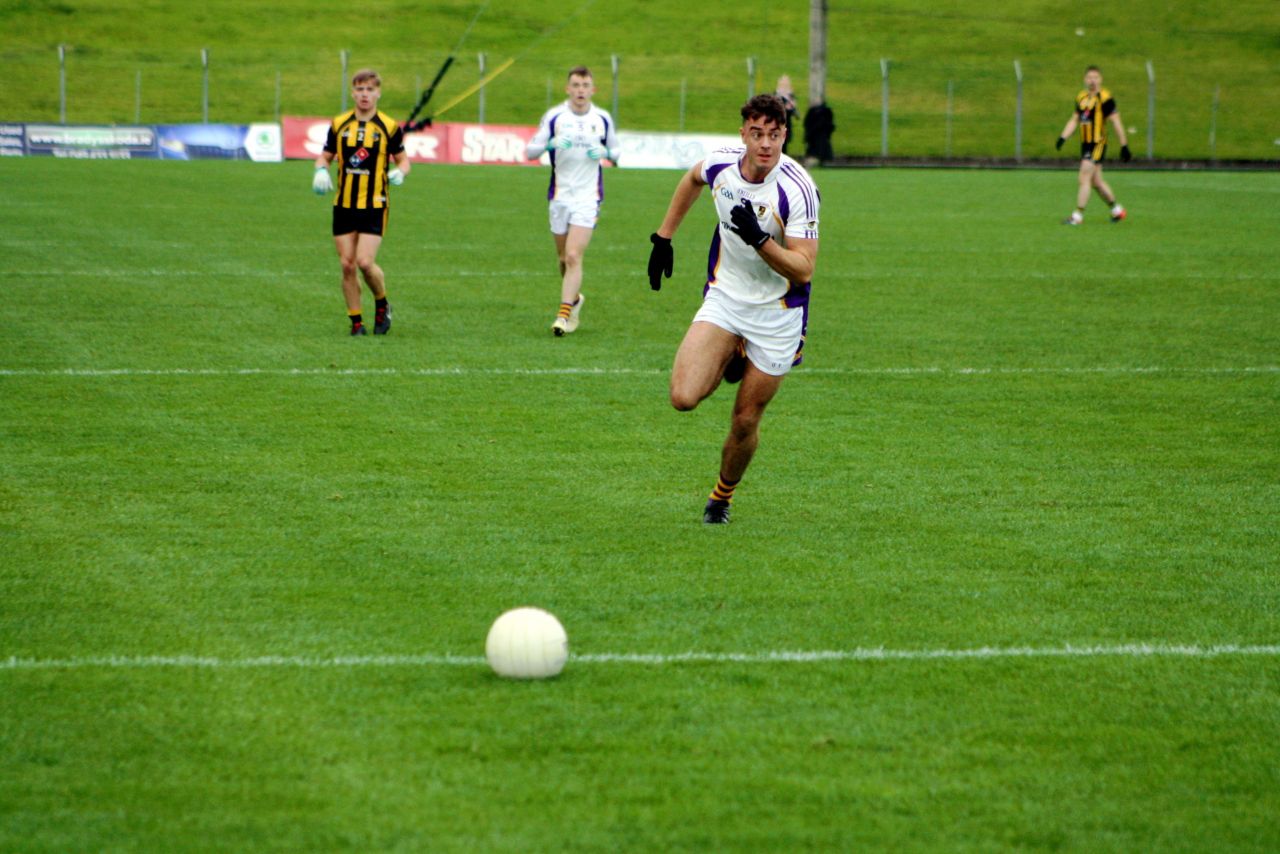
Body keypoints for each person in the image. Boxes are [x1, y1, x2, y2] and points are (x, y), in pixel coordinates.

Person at [647, 94, 820, 525]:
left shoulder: (798, 189)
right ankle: (733, 352)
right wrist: (663, 238)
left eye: (775, 135)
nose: (765, 144)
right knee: (683, 397)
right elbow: (691, 179)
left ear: (785, 136)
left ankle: (720, 497)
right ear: (742, 133)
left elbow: (803, 269)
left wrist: (761, 240)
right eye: (757, 134)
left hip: (778, 314)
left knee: (744, 419)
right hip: (726, 296)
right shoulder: (721, 164)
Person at [312, 69, 410, 335]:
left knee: (365, 262)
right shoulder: (340, 123)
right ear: (353, 93)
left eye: (369, 89)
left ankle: (382, 303)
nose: (364, 94)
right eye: (359, 89)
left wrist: (400, 172)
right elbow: (325, 156)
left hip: (374, 204)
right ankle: (356, 323)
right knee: (347, 264)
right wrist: (320, 170)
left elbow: (403, 160)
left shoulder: (389, 127)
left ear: (378, 93)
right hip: (343, 204)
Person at [525, 66, 620, 336]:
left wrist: (605, 152)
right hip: (559, 196)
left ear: (593, 90)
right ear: (568, 88)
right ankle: (575, 299)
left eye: (585, 85)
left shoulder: (602, 118)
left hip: (588, 197)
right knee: (563, 259)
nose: (580, 90)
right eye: (576, 85)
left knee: (574, 255)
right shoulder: (555, 116)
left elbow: (617, 151)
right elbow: (530, 150)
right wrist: (550, 144)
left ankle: (563, 315)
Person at [1056, 65, 1130, 226]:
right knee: (1096, 182)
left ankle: (1077, 216)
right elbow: (1075, 119)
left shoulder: (1105, 98)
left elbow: (1116, 122)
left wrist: (1124, 145)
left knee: (1084, 176)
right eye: (1089, 77)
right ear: (1085, 79)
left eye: (1096, 77)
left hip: (1098, 143)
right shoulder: (1081, 97)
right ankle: (1117, 210)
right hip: (1085, 144)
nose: (1092, 80)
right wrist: (1063, 137)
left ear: (1101, 79)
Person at [802, 101, 835, 166]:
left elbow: (807, 123)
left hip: (817, 135)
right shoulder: (825, 111)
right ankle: (820, 161)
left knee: (816, 150)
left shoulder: (824, 111)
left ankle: (818, 161)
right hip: (817, 136)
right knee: (818, 149)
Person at [775, 75, 799, 155]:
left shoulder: (790, 97)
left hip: (787, 123)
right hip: (777, 123)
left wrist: (792, 107)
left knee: (785, 144)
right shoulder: (776, 96)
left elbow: (796, 114)